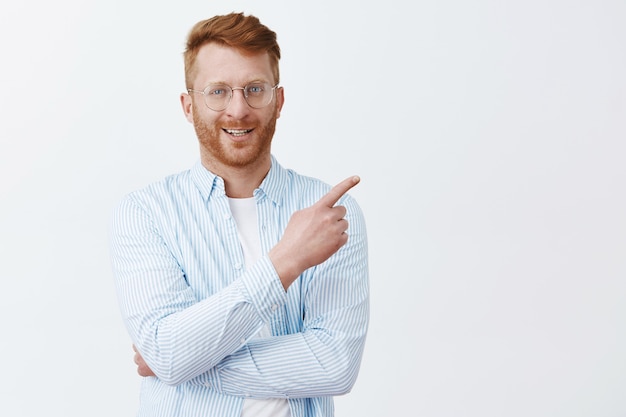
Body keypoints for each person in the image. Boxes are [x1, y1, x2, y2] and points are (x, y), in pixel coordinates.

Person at [109, 12, 369, 417]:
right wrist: (287, 260)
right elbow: (167, 353)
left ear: (278, 101)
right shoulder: (145, 214)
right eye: (217, 92)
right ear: (189, 105)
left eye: (254, 89)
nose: (238, 109)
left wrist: (183, 362)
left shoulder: (330, 213)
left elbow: (334, 365)